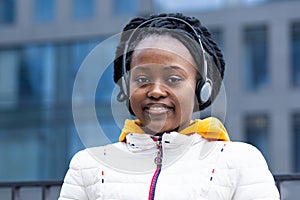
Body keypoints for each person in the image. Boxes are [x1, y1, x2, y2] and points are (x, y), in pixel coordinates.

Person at [59, 13, 280, 199]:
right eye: (142, 79)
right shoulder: (87, 166)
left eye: (173, 79)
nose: (155, 91)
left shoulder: (240, 161)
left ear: (201, 88)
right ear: (127, 88)